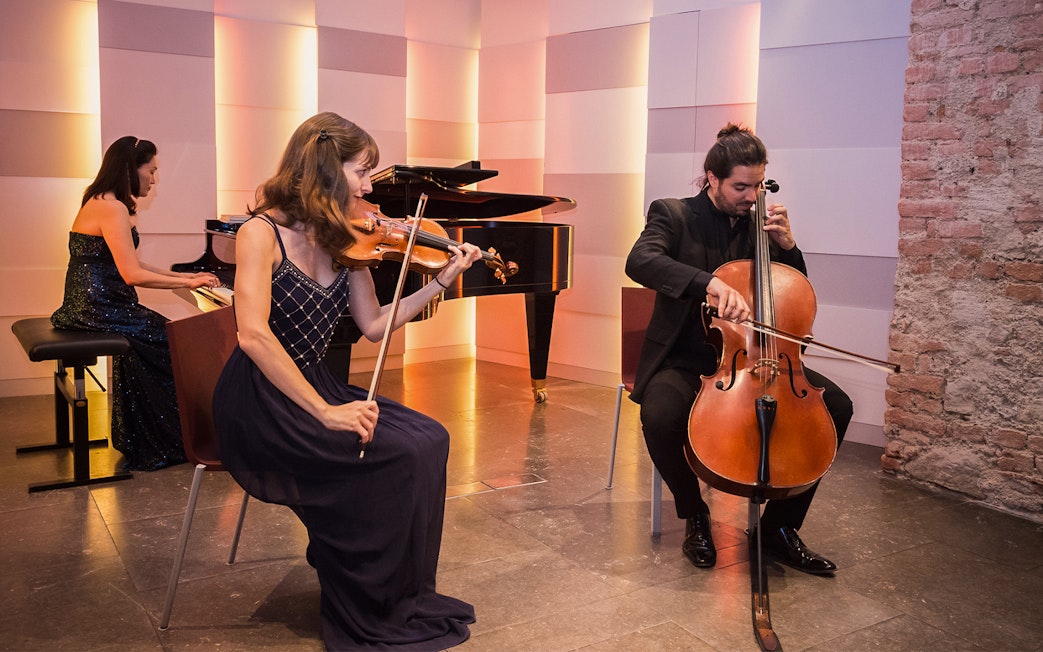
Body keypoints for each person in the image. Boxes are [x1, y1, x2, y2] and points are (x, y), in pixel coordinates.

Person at [212, 112, 478, 650]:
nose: (368, 187)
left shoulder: (345, 238)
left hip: (318, 384)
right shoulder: (260, 234)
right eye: (362, 172)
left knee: (430, 439)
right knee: (393, 456)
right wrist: (327, 412)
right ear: (325, 168)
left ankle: (399, 594)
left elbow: (374, 324)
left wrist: (440, 283)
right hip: (263, 400)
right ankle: (363, 594)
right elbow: (253, 336)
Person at [625, 123, 853, 575]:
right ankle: (695, 514)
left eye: (758, 185)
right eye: (741, 187)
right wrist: (707, 282)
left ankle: (779, 527)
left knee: (837, 407)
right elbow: (641, 261)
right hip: (687, 356)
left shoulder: (760, 226)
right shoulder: (673, 214)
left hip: (757, 357)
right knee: (660, 415)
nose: (752, 197)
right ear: (712, 178)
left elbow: (791, 291)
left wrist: (788, 246)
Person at [51, 136, 220, 471]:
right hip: (97, 306)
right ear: (131, 168)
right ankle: (168, 439)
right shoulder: (111, 208)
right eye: (151, 170)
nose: (154, 179)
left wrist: (185, 277)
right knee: (173, 340)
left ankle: (146, 436)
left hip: (93, 302)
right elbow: (132, 275)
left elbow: (132, 263)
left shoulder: (102, 200)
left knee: (161, 338)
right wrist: (187, 282)